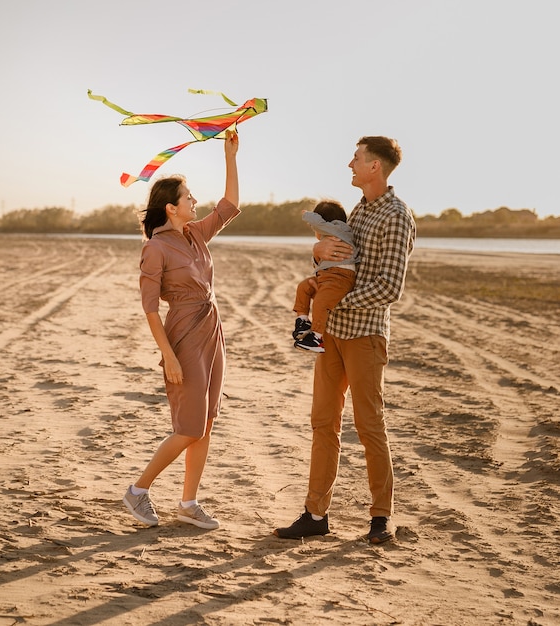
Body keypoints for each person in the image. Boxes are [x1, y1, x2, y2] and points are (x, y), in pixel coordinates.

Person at [275, 136, 416, 543]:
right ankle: (315, 515)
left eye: (356, 158)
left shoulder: (397, 215)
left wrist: (335, 305)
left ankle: (381, 517)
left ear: (376, 166)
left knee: (370, 424)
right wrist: (317, 250)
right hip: (334, 334)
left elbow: (389, 287)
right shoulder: (357, 211)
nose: (349, 163)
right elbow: (339, 262)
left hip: (366, 334)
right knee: (323, 423)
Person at [123, 131, 240, 531]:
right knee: (189, 426)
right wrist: (168, 355)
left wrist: (230, 155)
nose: (195, 201)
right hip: (184, 333)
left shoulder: (194, 234)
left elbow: (230, 207)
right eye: (188, 197)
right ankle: (138, 490)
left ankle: (188, 503)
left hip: (212, 328)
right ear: (172, 208)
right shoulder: (155, 247)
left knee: (205, 422)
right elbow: (150, 308)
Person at [293, 201, 359, 353]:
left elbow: (317, 222)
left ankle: (317, 337)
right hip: (327, 276)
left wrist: (306, 215)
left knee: (321, 302)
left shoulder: (337, 228)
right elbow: (320, 266)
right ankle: (302, 321)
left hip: (340, 278)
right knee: (304, 287)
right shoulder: (335, 235)